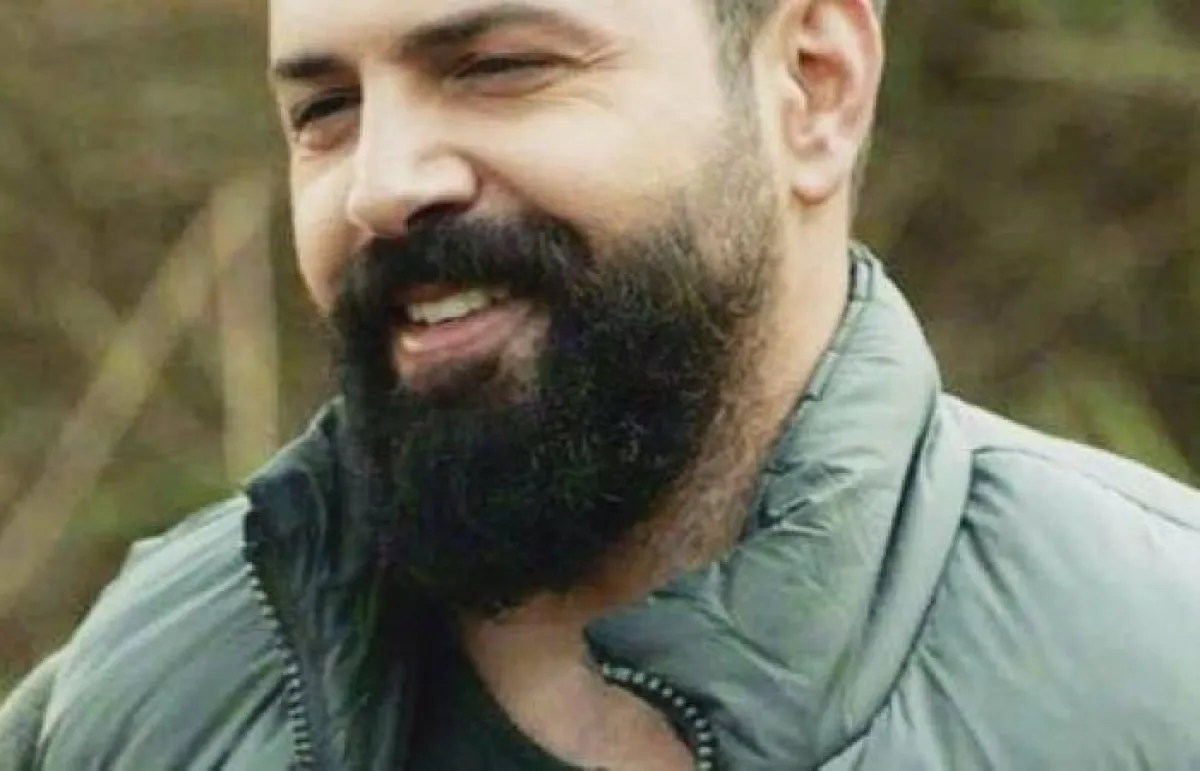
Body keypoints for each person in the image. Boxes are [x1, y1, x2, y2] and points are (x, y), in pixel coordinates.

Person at [4, 0, 1200, 768]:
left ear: (813, 87)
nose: (380, 184)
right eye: (326, 109)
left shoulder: (1158, 668)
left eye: (499, 67)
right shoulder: (143, 693)